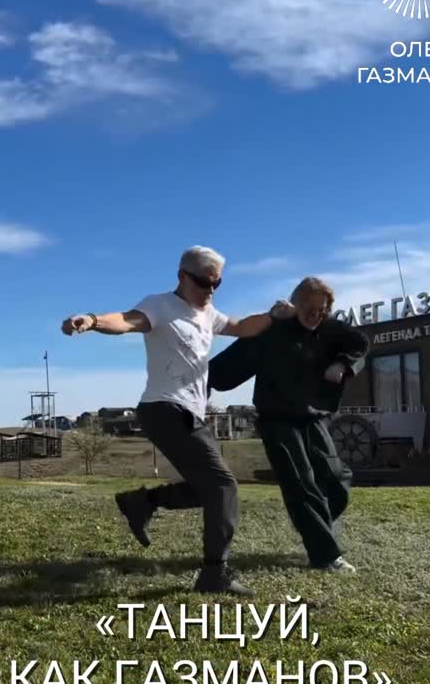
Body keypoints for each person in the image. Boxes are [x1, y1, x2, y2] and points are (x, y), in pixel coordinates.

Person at [61, 246, 294, 596]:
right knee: (224, 486)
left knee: (209, 489)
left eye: (217, 283)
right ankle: (214, 574)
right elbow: (126, 320)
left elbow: (243, 327)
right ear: (183, 276)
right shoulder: (160, 306)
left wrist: (274, 316)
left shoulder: (208, 314)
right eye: (204, 282)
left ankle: (142, 502)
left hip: (187, 414)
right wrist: (93, 321)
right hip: (164, 408)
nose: (210, 290)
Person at [208, 276, 369, 573]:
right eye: (309, 309)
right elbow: (223, 369)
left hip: (313, 417)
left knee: (336, 481)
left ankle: (316, 526)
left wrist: (342, 364)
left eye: (322, 310)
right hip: (277, 419)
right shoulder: (272, 331)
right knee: (301, 484)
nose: (315, 315)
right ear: (294, 305)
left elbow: (360, 343)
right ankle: (325, 556)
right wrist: (199, 384)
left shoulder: (329, 328)